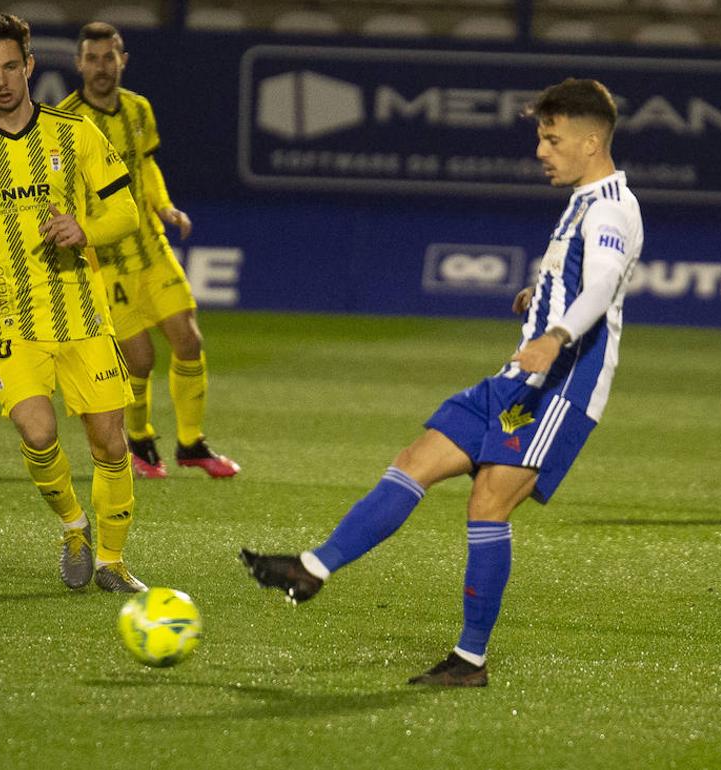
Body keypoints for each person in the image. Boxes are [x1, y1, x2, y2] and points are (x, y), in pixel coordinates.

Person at [240, 78, 644, 687]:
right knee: (415, 459)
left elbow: (602, 285)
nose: (540, 149)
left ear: (591, 142)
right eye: (541, 136)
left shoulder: (611, 206)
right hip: (519, 381)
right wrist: (540, 302)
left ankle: (470, 660)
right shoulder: (587, 200)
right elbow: (579, 280)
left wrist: (554, 335)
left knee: (488, 503)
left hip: (561, 388)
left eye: (551, 137)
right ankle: (313, 568)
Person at [0, 13, 148, 592]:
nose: (1, 81)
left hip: (83, 312)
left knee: (109, 441)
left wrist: (86, 230)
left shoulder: (75, 135)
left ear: (29, 65)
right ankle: (74, 526)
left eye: (9, 67)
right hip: (8, 319)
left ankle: (112, 563)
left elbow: (125, 210)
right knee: (39, 432)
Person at [57, 22, 239, 480]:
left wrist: (164, 206)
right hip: (107, 261)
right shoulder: (66, 122)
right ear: (79, 64)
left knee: (189, 340)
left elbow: (147, 163)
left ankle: (191, 443)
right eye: (92, 59)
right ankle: (140, 441)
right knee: (139, 359)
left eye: (109, 57)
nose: (101, 67)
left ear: (123, 59)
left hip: (151, 248)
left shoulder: (139, 108)